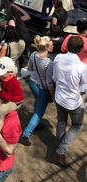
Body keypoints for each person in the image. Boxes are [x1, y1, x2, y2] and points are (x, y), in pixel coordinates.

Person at [53, 36, 87, 167]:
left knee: (61, 121)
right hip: (73, 101)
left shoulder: (58, 58)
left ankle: (60, 145)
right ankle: (61, 150)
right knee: (77, 126)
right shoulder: (82, 67)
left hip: (59, 96)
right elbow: (84, 88)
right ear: (80, 49)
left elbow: (55, 77)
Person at [19, 36, 55, 146]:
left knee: (38, 102)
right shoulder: (49, 63)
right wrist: (53, 96)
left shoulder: (34, 54)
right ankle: (26, 134)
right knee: (39, 113)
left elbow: (29, 68)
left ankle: (36, 124)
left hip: (32, 83)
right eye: (51, 44)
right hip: (42, 88)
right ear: (47, 47)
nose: (53, 46)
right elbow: (49, 83)